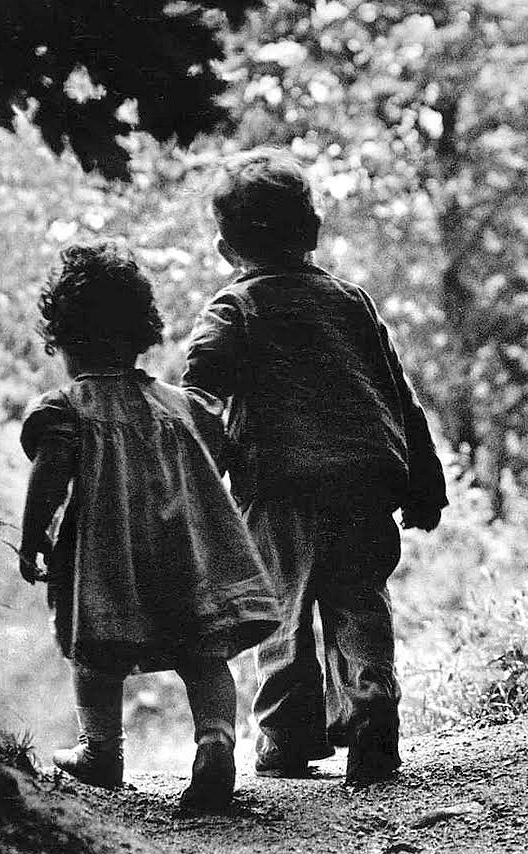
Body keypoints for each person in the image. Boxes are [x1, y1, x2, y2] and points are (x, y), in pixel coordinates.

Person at [182, 149, 448, 786]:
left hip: (280, 485)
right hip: (363, 478)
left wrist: (204, 453)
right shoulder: (351, 302)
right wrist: (424, 480)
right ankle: (373, 712)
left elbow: (199, 379)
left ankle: (285, 738)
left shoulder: (235, 307)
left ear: (226, 247)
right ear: (313, 231)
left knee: (282, 609)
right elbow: (397, 393)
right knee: (359, 600)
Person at [18, 241, 280, 811]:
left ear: (64, 341)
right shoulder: (179, 404)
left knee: (93, 653)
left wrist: (31, 536)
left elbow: (49, 475)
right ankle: (215, 743)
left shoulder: (67, 408)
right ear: (143, 334)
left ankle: (102, 752)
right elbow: (219, 450)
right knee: (204, 651)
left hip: (106, 558)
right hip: (187, 550)